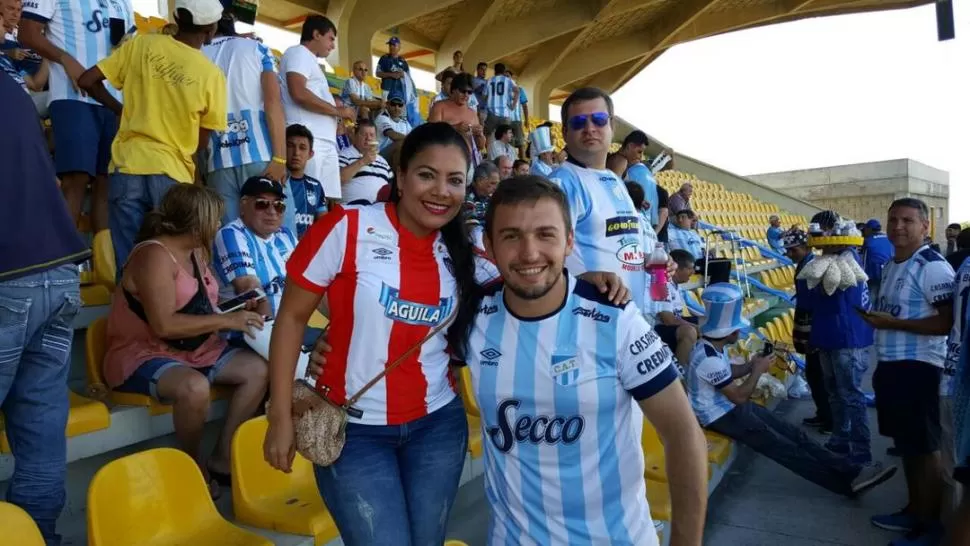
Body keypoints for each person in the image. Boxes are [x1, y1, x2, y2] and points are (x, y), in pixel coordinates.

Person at [264, 123, 482, 545]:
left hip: (438, 426)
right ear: (400, 177)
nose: (441, 190)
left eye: (455, 179)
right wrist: (280, 415)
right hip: (354, 431)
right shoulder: (345, 227)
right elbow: (290, 318)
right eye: (426, 174)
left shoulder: (463, 251)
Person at [462, 176, 708, 545]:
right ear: (490, 246)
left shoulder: (618, 319)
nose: (529, 253)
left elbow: (683, 432)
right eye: (511, 236)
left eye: (546, 234)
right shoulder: (472, 319)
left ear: (569, 241)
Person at [103, 183, 269, 496]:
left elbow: (200, 305)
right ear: (196, 223)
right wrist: (225, 319)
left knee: (258, 369)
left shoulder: (197, 251)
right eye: (215, 219)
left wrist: (237, 306)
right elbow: (164, 324)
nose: (219, 225)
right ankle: (193, 467)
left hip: (197, 348)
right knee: (194, 388)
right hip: (144, 352)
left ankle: (222, 457)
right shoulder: (153, 255)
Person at [687, 283, 897, 498]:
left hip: (729, 408)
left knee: (794, 434)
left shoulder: (712, 347)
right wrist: (757, 371)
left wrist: (751, 365)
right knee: (785, 449)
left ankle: (852, 470)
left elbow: (728, 372)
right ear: (727, 331)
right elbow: (739, 397)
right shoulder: (708, 358)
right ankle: (846, 485)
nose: (739, 332)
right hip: (721, 415)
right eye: (736, 328)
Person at [0, 69, 89, 546]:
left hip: (7, 274)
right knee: (40, 440)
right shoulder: (11, 87)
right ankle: (37, 538)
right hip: (58, 270)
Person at [77, 0, 227, 270]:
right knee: (170, 267)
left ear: (178, 18)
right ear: (211, 29)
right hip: (173, 176)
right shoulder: (212, 75)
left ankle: (128, 312)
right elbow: (201, 143)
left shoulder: (141, 45)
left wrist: (121, 110)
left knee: (129, 264)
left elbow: (87, 80)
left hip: (127, 166)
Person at [860, 198, 955, 545]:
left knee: (924, 447)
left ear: (925, 227)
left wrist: (896, 323)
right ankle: (914, 510)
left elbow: (948, 322)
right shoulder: (892, 264)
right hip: (892, 365)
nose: (898, 226)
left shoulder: (931, 266)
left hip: (920, 368)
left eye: (908, 221)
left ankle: (928, 527)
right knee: (907, 446)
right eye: (893, 220)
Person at [19, 0, 134, 233]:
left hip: (114, 101)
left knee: (107, 182)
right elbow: (27, 32)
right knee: (75, 179)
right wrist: (65, 59)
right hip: (72, 97)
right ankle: (62, 262)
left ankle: (104, 263)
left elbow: (128, 42)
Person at [202, 10, 293, 231]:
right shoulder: (256, 48)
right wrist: (280, 159)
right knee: (282, 237)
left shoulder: (197, 54)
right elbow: (273, 103)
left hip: (217, 160)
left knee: (230, 241)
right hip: (260, 155)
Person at [805, 212, 874, 466]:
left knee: (851, 395)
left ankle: (860, 450)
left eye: (822, 231)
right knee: (834, 392)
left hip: (848, 339)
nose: (819, 237)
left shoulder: (848, 260)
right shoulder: (827, 260)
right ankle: (840, 439)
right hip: (828, 337)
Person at [280, 15, 355, 202]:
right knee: (305, 203)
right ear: (316, 34)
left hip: (324, 142)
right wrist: (338, 111)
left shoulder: (311, 61)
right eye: (330, 38)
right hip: (307, 141)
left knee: (327, 203)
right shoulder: (299, 53)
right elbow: (298, 92)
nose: (333, 46)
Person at [213, 176, 297, 318]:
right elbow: (250, 289)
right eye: (262, 204)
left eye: (278, 205)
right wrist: (278, 333)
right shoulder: (231, 234)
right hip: (252, 328)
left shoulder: (286, 235)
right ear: (243, 205)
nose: (272, 212)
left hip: (293, 323)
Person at [785, 229, 832, 433]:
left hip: (815, 329)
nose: (789, 255)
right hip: (809, 327)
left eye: (793, 250)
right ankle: (823, 413)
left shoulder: (813, 267)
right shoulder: (806, 265)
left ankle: (830, 420)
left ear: (804, 248)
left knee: (819, 375)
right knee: (814, 375)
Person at [647, 248, 700, 366]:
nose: (693, 272)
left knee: (705, 322)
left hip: (672, 324)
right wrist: (695, 327)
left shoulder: (676, 285)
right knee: (689, 331)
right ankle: (683, 374)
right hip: (657, 329)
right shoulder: (662, 284)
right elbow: (668, 319)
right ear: (676, 269)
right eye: (690, 268)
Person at [283, 124, 327, 238]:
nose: (296, 153)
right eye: (290, 146)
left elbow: (324, 224)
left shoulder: (316, 186)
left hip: (307, 250)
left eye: (302, 148)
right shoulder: (273, 182)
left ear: (310, 154)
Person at [428, 72, 485, 158]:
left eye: (469, 92)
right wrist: (455, 128)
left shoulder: (472, 113)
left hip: (466, 161)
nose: (466, 95)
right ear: (453, 90)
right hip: (442, 157)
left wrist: (480, 135)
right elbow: (430, 133)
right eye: (462, 91)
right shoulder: (439, 106)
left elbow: (480, 146)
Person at [338, 119, 393, 205]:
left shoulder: (383, 161)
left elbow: (392, 187)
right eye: (364, 134)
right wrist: (363, 161)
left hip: (380, 211)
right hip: (353, 211)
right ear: (355, 136)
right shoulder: (344, 155)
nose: (368, 138)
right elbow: (338, 180)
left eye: (372, 135)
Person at [374, 90, 412, 160]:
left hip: (392, 156)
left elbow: (413, 136)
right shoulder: (382, 117)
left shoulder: (405, 122)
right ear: (387, 105)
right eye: (393, 104)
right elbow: (393, 135)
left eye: (400, 105)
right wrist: (413, 139)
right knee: (401, 144)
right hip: (378, 156)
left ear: (403, 107)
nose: (396, 108)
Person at [861, 218, 894, 295]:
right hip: (888, 272)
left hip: (873, 274)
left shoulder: (867, 240)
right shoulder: (889, 238)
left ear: (869, 229)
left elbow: (863, 260)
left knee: (871, 296)